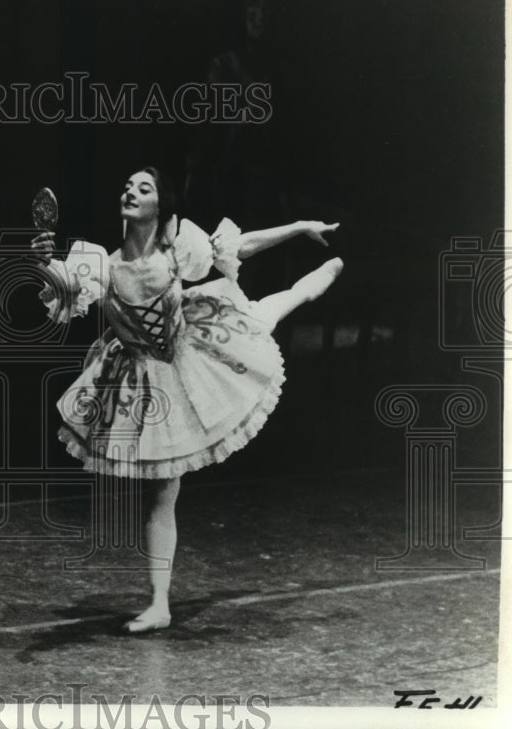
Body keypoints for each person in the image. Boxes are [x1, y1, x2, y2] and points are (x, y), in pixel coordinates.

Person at [30, 167, 342, 633]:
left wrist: (298, 228)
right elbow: (63, 290)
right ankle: (160, 604)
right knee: (161, 494)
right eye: (127, 185)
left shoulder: (180, 246)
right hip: (139, 376)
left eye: (144, 187)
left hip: (191, 353)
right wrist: (41, 261)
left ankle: (313, 284)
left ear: (162, 205)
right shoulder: (99, 263)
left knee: (265, 314)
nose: (130, 191)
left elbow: (243, 246)